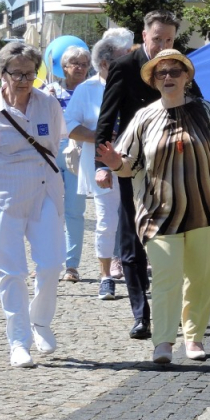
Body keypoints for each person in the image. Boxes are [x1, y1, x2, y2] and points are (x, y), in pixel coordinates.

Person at [96, 50, 210, 365]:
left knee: (202, 276)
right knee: (166, 276)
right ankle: (163, 342)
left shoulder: (206, 111)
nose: (168, 77)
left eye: (175, 72)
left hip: (208, 208)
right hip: (158, 211)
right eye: (162, 73)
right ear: (153, 80)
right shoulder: (143, 117)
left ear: (187, 77)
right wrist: (114, 163)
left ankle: (193, 338)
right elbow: (129, 165)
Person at [0, 43, 67, 368]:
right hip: (4, 196)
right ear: (4, 74)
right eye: (18, 73)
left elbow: (53, 144)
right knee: (11, 271)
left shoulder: (49, 104)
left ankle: (40, 321)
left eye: (30, 73)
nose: (25, 80)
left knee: (52, 264)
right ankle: (18, 341)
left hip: (44, 191)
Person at [95, 10, 179, 339]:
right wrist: (103, 164)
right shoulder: (124, 67)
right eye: (157, 39)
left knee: (169, 240)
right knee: (131, 242)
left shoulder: (177, 66)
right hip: (132, 165)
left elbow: (197, 104)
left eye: (169, 40)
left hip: (173, 166)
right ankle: (140, 315)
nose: (162, 46)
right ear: (144, 36)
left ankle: (172, 310)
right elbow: (107, 119)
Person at [63, 30, 133, 300]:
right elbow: (68, 126)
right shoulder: (87, 89)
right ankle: (105, 276)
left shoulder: (134, 85)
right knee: (107, 220)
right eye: (121, 58)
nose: (128, 62)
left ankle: (131, 267)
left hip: (132, 161)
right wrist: (102, 137)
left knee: (135, 218)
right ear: (104, 63)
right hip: (100, 162)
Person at [43, 45, 91, 284]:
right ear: (64, 68)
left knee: (74, 212)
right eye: (75, 64)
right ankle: (47, 262)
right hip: (52, 154)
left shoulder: (92, 91)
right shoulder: (50, 90)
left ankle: (71, 266)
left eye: (84, 64)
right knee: (47, 211)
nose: (80, 68)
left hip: (79, 155)